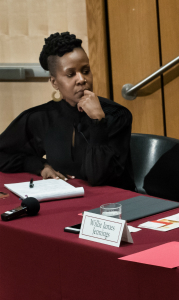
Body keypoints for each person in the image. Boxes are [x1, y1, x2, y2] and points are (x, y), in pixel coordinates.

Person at [0, 32, 135, 190]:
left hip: (113, 204)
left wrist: (97, 121)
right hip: (67, 200)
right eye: (70, 74)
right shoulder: (42, 117)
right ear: (54, 82)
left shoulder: (116, 115)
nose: (81, 79)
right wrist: (41, 166)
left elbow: (97, 177)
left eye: (85, 71)